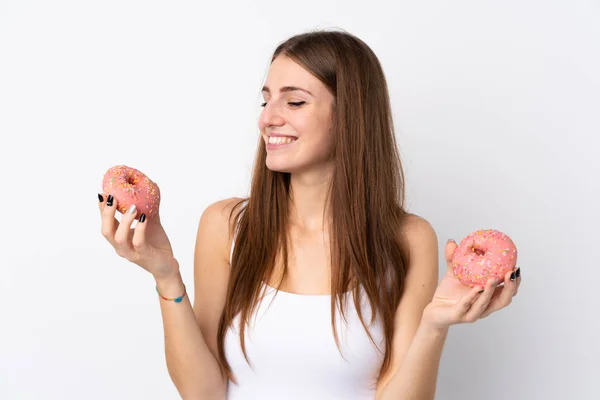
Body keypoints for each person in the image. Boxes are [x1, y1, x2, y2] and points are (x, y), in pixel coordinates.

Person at [98, 30, 522, 400]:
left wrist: (434, 325)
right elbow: (203, 393)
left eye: (294, 101)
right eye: (265, 101)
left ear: (350, 115)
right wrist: (166, 276)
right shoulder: (226, 226)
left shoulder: (408, 238)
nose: (268, 119)